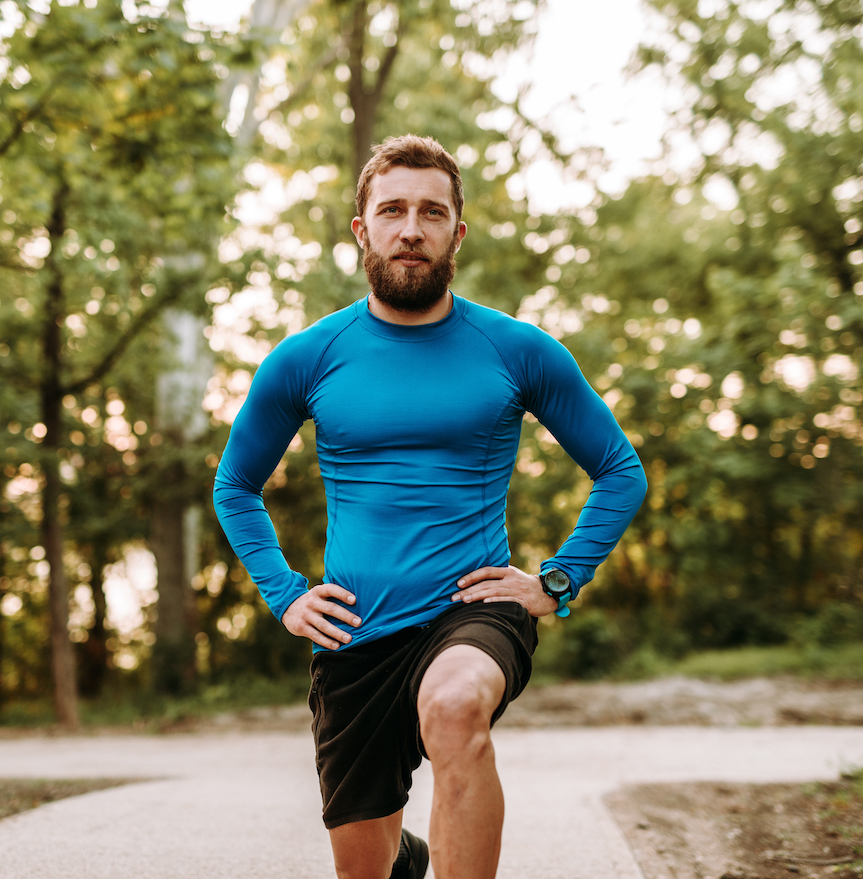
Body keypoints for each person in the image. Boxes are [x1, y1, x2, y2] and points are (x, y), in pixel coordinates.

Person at [213, 134, 647, 879]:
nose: (411, 227)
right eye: (392, 210)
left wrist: (556, 582)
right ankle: (414, 856)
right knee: (368, 865)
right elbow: (235, 486)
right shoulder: (307, 357)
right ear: (363, 230)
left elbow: (619, 468)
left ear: (456, 231)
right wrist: (284, 594)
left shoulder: (517, 349)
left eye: (430, 211)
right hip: (356, 628)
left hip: (472, 610)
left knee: (452, 706)